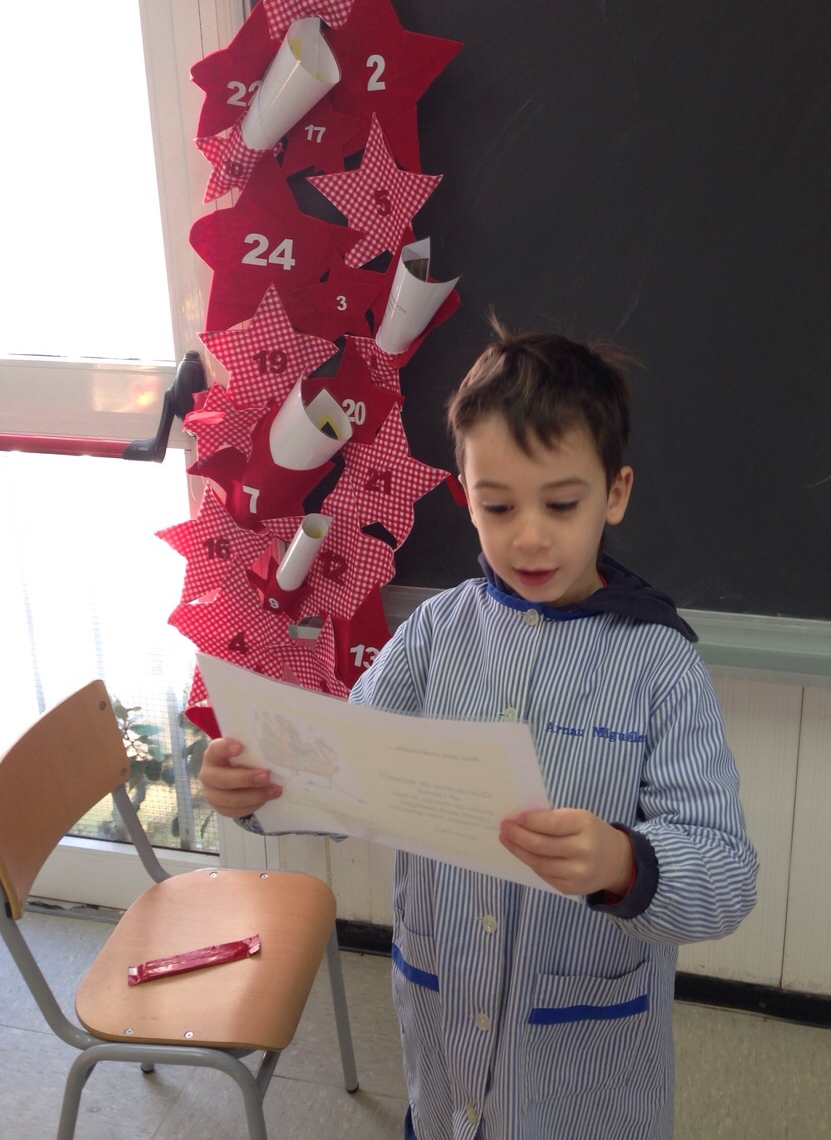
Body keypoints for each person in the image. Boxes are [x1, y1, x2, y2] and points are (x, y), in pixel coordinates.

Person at [200, 320, 758, 1140]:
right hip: (445, 1057)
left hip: (584, 1088)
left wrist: (623, 863)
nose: (528, 536)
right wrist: (258, 787)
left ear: (615, 494)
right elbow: (343, 774)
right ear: (464, 496)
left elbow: (727, 876)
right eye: (498, 505)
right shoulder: (435, 634)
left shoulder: (659, 666)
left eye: (561, 504)